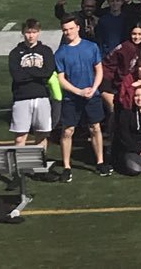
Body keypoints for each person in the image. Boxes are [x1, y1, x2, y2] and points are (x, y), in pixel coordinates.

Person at [55, 15, 110, 182]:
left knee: (95, 127)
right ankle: (66, 166)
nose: (68, 32)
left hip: (91, 95)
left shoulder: (91, 47)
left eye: (71, 28)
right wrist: (78, 92)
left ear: (78, 28)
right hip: (72, 99)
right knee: (67, 131)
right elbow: (61, 79)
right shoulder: (60, 52)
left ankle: (100, 162)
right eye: (65, 30)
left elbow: (99, 70)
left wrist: (93, 89)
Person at [9, 19, 55, 149]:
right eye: (28, 32)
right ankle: (21, 166)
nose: (31, 36)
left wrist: (27, 72)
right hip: (21, 97)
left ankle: (39, 165)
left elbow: (48, 72)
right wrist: (37, 72)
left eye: (34, 32)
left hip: (42, 96)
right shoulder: (15, 53)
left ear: (39, 32)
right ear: (23, 33)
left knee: (41, 135)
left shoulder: (46, 51)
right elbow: (17, 76)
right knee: (20, 137)